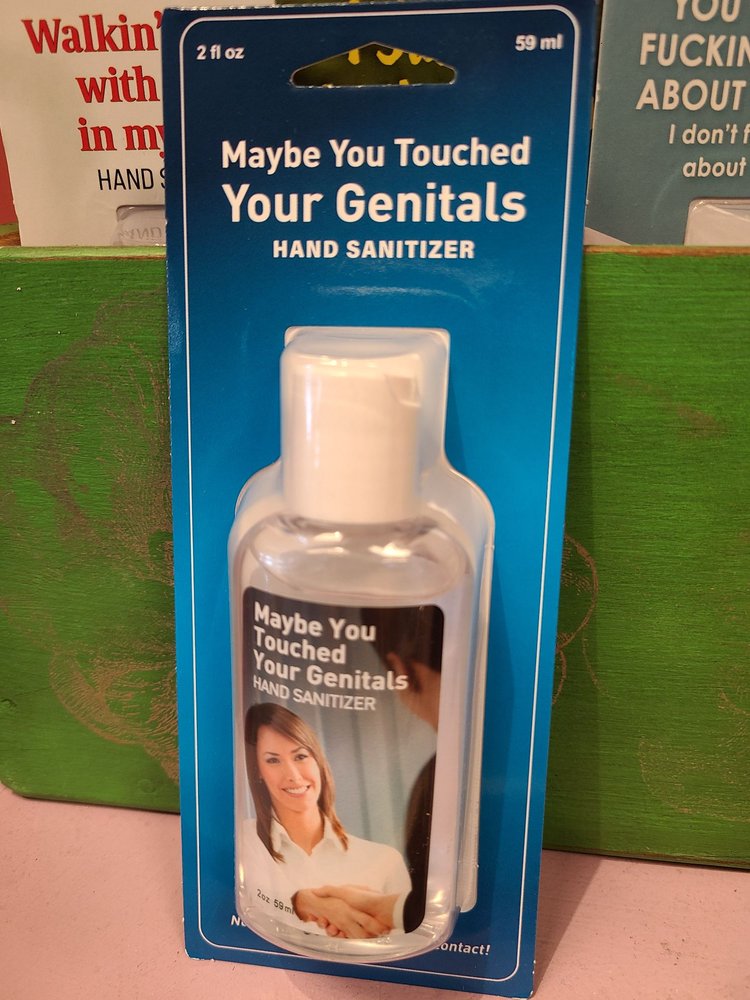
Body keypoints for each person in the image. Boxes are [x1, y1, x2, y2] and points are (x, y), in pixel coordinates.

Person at [295, 605, 442, 937]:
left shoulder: (432, 787)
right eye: (274, 759)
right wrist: (387, 907)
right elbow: (427, 906)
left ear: (400, 671)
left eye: (301, 755)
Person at [241, 702, 412, 939]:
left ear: (318, 761)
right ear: (257, 770)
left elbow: (404, 941)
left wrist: (315, 906)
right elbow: (252, 904)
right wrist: (310, 904)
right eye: (273, 760)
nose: (293, 775)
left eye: (300, 756)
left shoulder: (385, 860)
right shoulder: (246, 839)